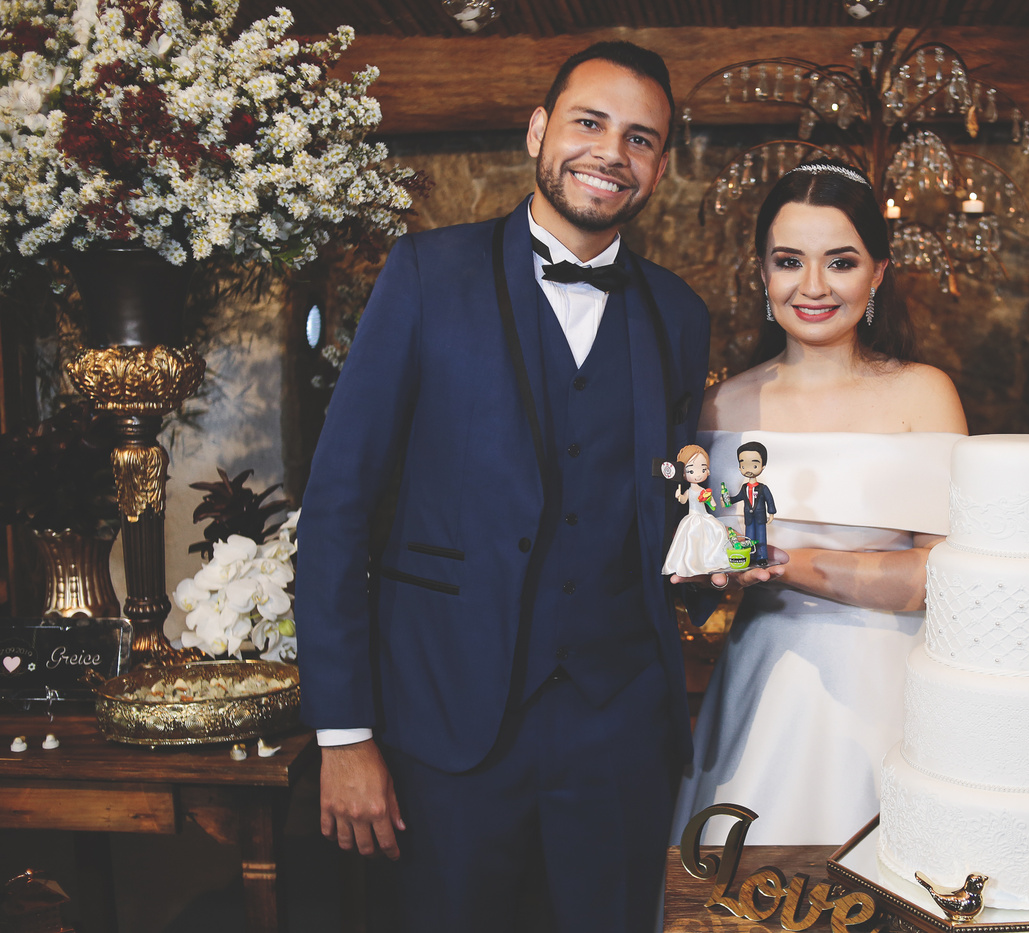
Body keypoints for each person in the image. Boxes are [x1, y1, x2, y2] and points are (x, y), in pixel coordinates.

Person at [296, 41, 775, 931]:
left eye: (639, 138)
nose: (611, 152)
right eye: (590, 122)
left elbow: (665, 499)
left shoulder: (678, 313)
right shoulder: (425, 274)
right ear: (538, 131)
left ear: (659, 165)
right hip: (446, 724)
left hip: (620, 733)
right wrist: (344, 732)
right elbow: (335, 509)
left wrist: (722, 555)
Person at [670, 159, 968, 847]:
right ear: (762, 273)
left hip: (889, 693)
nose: (812, 286)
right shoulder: (719, 407)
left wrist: (785, 562)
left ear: (878, 272)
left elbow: (948, 575)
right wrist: (704, 573)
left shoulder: (923, 394)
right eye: (788, 261)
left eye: (840, 262)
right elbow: (696, 553)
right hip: (758, 688)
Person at [660, 444, 730, 582]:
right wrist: (679, 496)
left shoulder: (704, 491)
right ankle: (692, 564)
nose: (698, 474)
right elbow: (684, 500)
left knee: (713, 535)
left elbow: (713, 506)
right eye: (691, 471)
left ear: (707, 470)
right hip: (692, 517)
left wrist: (710, 500)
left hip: (704, 516)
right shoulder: (690, 491)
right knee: (692, 540)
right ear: (683, 473)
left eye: (702, 469)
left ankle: (711, 561)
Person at [735, 440, 776, 565]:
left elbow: (769, 500)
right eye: (743, 466)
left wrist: (771, 513)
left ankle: (762, 556)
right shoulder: (744, 488)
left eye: (754, 466)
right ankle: (751, 556)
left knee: (761, 537)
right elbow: (738, 497)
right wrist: (727, 500)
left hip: (760, 517)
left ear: (762, 466)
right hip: (748, 517)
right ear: (740, 467)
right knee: (749, 537)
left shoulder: (763, 488)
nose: (748, 470)